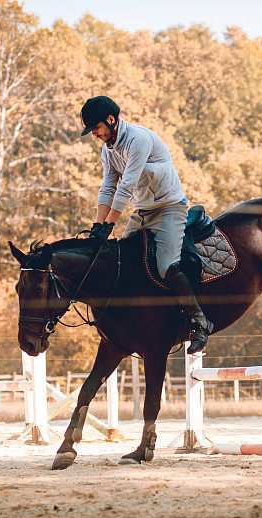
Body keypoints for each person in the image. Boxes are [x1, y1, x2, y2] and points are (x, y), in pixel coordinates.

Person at [80, 96, 213, 353]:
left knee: (166, 266)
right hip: (142, 211)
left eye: (96, 128)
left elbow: (126, 186)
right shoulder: (108, 150)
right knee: (123, 260)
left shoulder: (138, 140)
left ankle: (200, 321)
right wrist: (98, 227)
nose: (94, 134)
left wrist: (110, 225)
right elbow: (108, 187)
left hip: (169, 209)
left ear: (111, 119)